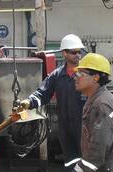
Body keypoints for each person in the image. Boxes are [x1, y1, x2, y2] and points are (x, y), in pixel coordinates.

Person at [20, 34, 86, 170]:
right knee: (70, 161)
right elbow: (43, 93)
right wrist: (29, 102)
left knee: (87, 160)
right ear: (64, 53)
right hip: (65, 126)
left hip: (84, 126)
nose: (78, 55)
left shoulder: (86, 74)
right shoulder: (57, 75)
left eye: (79, 52)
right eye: (74, 52)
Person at [73, 53, 113, 172]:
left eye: (80, 73)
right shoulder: (96, 98)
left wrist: (79, 169)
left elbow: (97, 150)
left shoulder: (102, 104)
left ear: (95, 78)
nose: (75, 77)